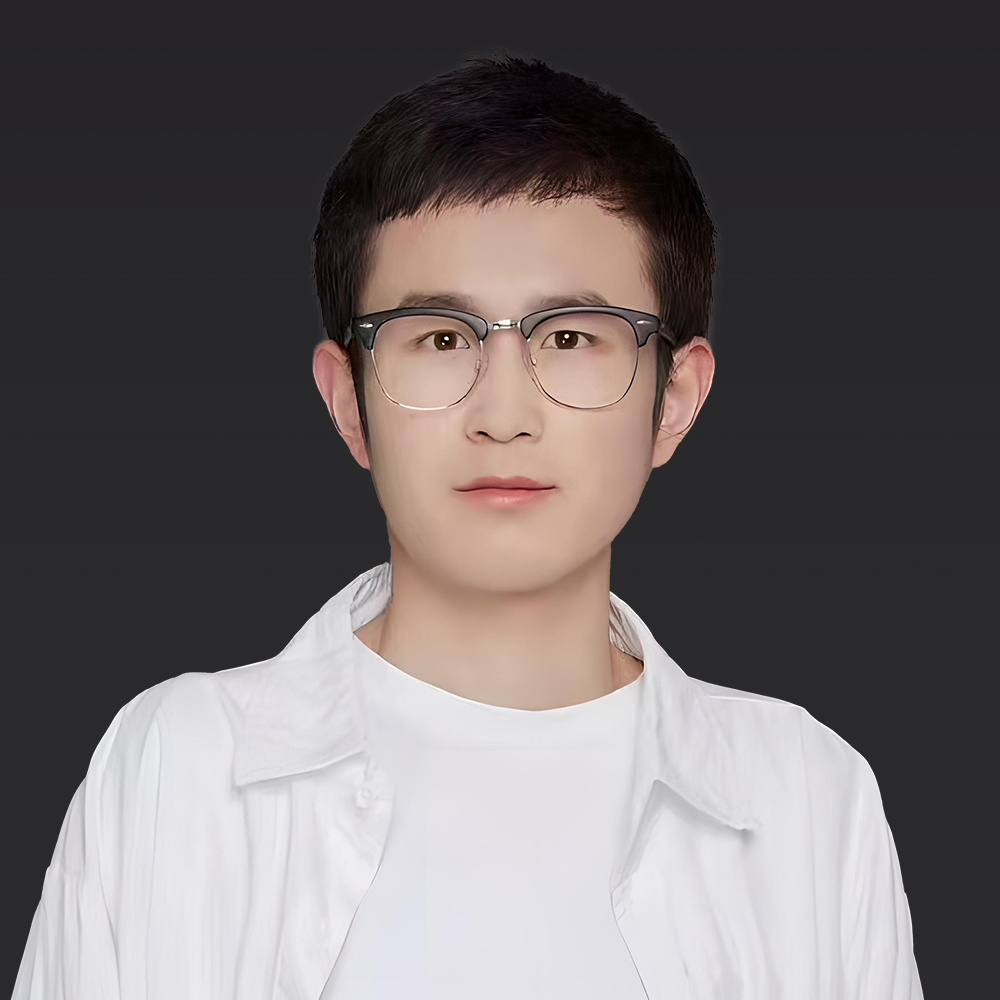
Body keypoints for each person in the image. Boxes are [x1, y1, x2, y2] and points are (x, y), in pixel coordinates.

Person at [14, 52, 923, 999]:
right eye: (442, 339)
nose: (504, 414)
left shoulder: (806, 798)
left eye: (570, 337)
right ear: (348, 400)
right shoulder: (177, 769)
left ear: (676, 398)